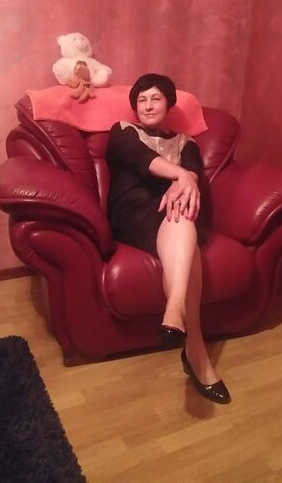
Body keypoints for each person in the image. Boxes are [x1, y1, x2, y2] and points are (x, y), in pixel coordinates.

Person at [106, 73, 231, 404]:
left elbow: (194, 173)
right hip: (132, 212)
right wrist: (182, 176)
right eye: (141, 100)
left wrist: (187, 180)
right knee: (183, 221)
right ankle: (196, 352)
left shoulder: (186, 142)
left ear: (169, 104)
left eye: (156, 98)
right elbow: (143, 160)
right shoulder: (122, 131)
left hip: (173, 213)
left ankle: (176, 315)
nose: (148, 105)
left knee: (182, 217)